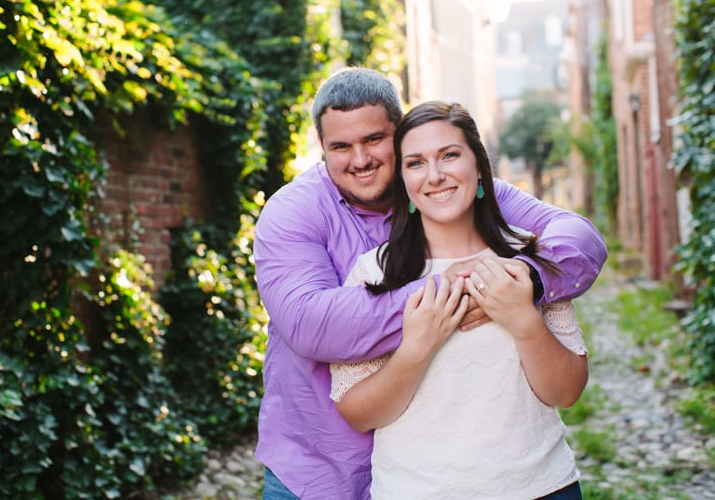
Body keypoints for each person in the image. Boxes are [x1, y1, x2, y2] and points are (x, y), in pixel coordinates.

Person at [253, 67, 606, 499]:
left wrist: (529, 281)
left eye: (374, 140)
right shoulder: (293, 213)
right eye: (341, 147)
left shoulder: (454, 190)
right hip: (320, 468)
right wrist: (444, 297)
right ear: (322, 150)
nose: (360, 159)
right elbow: (310, 324)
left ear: (399, 135)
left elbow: (579, 239)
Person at [330, 100, 588, 499]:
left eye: (449, 155)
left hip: (540, 488)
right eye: (415, 163)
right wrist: (417, 347)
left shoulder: (529, 259)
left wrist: (524, 320)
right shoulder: (374, 273)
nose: (435, 176)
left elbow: (566, 392)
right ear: (404, 182)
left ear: (479, 168)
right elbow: (358, 413)